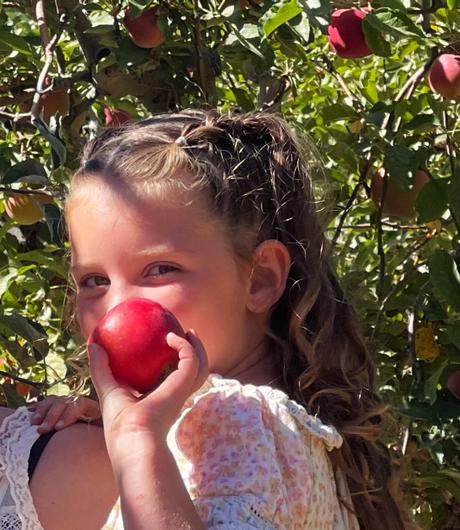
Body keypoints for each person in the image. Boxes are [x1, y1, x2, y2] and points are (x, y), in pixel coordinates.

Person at [0, 109, 414, 530]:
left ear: (261, 278)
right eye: (94, 280)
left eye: (161, 269)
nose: (117, 309)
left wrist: (136, 443)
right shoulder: (266, 432)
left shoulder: (238, 422)